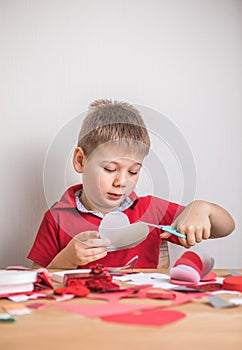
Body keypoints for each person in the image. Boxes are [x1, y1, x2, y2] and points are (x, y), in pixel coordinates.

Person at [28, 99, 235, 269]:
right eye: (110, 169)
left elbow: (225, 228)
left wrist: (201, 208)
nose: (121, 182)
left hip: (143, 312)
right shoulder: (57, 218)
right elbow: (38, 281)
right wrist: (67, 260)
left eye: (133, 171)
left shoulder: (152, 211)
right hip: (82, 315)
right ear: (81, 160)